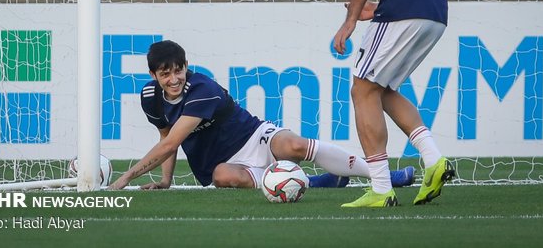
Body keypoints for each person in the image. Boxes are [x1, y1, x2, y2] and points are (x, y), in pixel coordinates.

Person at [108, 39, 415, 191]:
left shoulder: (203, 89)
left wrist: (124, 179)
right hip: (223, 164)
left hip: (255, 137)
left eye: (179, 70)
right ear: (152, 75)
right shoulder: (151, 98)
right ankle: (318, 182)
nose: (174, 79)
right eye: (166, 74)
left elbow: (169, 143)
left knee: (294, 145)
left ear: (187, 66)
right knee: (221, 178)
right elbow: (165, 136)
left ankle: (385, 177)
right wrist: (165, 180)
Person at [332, 0, 455, 208]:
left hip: (404, 14)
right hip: (435, 15)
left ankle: (382, 188)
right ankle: (434, 159)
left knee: (361, 88)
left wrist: (351, 19)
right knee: (381, 89)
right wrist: (382, 7)